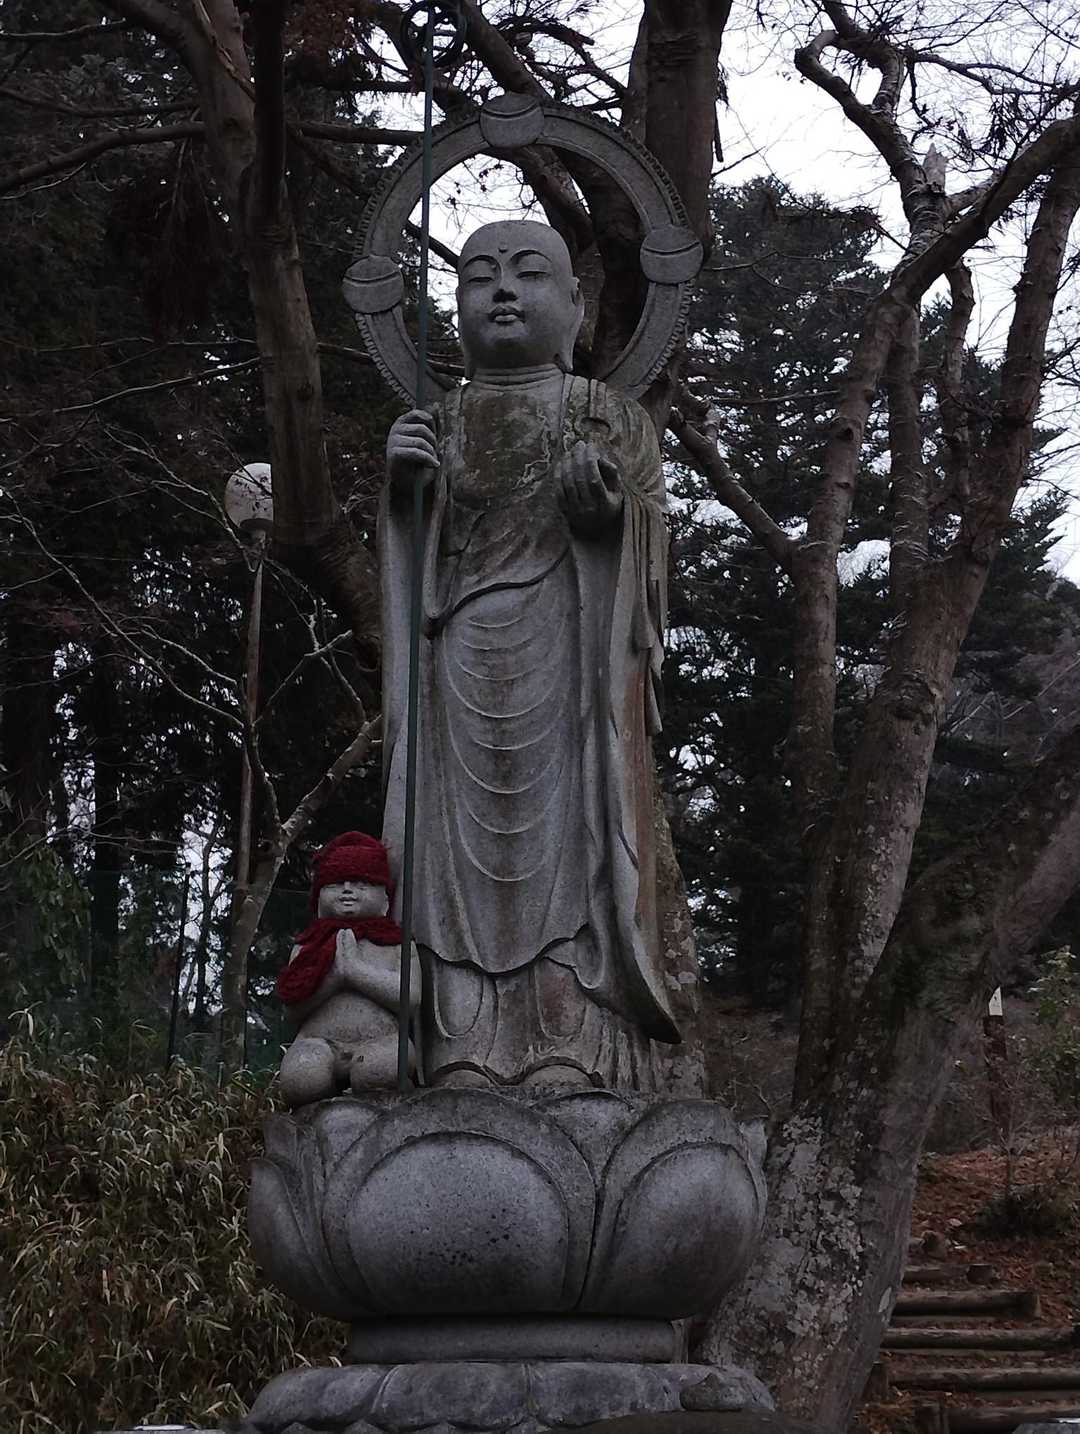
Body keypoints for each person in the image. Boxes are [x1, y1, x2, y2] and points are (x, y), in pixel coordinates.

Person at [381, 220, 679, 1091]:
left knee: (569, 856)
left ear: (576, 306)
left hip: (573, 654)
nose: (503, 291)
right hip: (457, 659)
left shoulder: (608, 415)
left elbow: (652, 550)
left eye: (527, 274)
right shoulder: (436, 421)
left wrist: (610, 515)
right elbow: (407, 560)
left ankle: (568, 1044)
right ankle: (463, 1047)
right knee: (450, 864)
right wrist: (404, 494)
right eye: (479, 276)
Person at [276, 831, 420, 1104]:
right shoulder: (307, 946)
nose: (347, 890)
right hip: (317, 1042)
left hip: (382, 1040)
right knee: (302, 1078)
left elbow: (410, 1000)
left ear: (385, 900)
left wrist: (356, 972)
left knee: (379, 1071)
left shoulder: (397, 945)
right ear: (318, 898)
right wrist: (334, 978)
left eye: (361, 883)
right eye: (335, 883)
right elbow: (292, 1009)